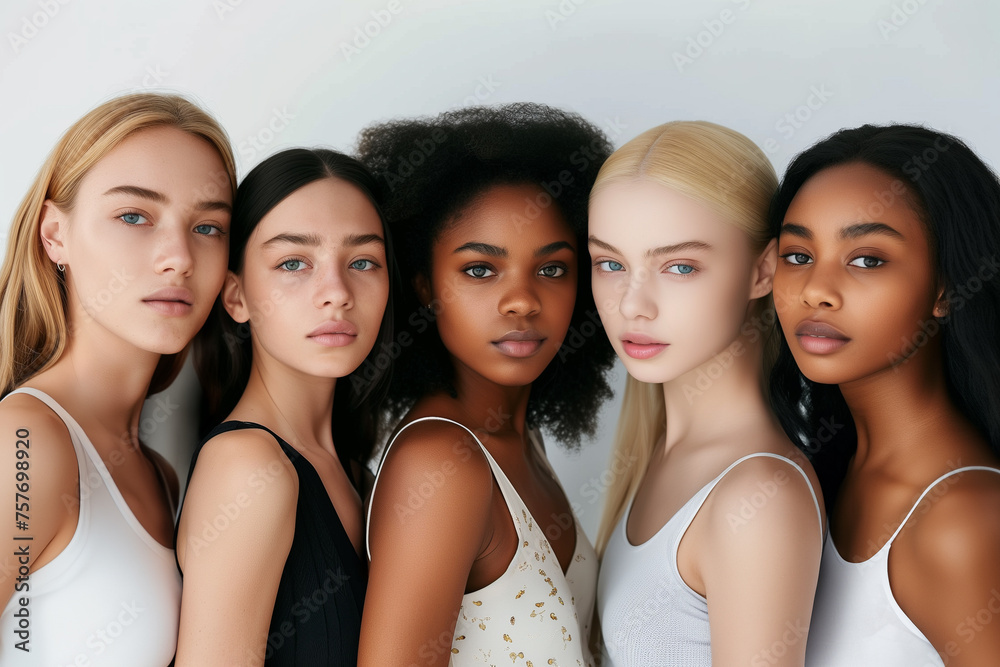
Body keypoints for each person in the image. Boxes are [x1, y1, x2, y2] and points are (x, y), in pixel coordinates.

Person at [357, 104, 617, 666]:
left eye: (551, 269)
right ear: (425, 286)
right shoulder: (441, 462)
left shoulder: (523, 441)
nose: (522, 300)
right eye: (480, 269)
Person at [0, 92, 236, 664]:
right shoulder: (25, 444)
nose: (178, 256)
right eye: (134, 216)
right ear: (54, 235)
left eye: (207, 227)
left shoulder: (161, 476)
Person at [592, 121, 825, 666]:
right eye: (611, 263)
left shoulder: (757, 496)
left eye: (679, 266)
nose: (632, 305)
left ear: (762, 270)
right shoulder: (654, 456)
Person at [768, 124, 1000, 667]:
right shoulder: (820, 478)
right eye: (798, 255)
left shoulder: (963, 521)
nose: (815, 291)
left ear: (945, 287)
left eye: (867, 259)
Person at [173, 148, 394, 665]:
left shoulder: (361, 475)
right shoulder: (249, 467)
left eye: (362, 262)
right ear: (236, 297)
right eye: (294, 263)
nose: (336, 293)